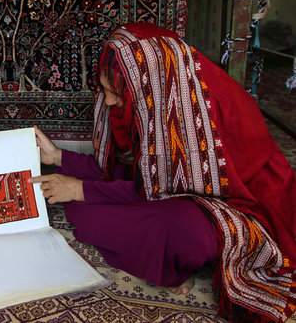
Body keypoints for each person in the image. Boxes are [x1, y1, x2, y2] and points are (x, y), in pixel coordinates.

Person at [29, 22, 296, 322]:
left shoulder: (186, 107)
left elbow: (167, 188)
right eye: (104, 90)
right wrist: (59, 157)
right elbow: (129, 173)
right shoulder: (143, 101)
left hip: (234, 208)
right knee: (82, 211)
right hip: (169, 193)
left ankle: (171, 258)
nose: (109, 101)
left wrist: (80, 188)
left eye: (115, 93)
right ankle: (160, 252)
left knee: (186, 232)